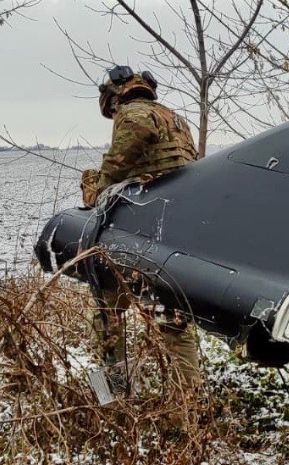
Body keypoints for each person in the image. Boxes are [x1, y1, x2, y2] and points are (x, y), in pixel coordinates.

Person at [82, 65, 202, 398]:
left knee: (106, 316)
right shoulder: (175, 120)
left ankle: (112, 398)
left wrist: (90, 182)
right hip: (174, 237)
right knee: (174, 322)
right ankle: (188, 404)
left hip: (140, 237)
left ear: (113, 97)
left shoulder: (132, 116)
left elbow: (106, 186)